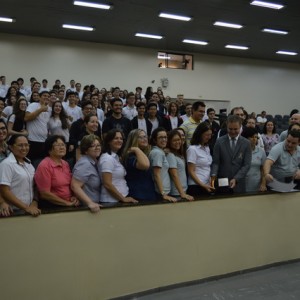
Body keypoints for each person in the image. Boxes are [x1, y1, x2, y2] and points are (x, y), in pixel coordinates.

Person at [0, 134, 40, 217]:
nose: (24, 148)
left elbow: (35, 186)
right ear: (11, 147)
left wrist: (34, 203)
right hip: (13, 212)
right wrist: (26, 207)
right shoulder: (6, 164)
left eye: (26, 145)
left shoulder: (29, 164)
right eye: (20, 145)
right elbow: (4, 190)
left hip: (30, 210)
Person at [35, 135, 80, 207]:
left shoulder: (65, 163)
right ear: (49, 149)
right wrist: (65, 203)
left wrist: (73, 197)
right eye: (58, 145)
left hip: (69, 203)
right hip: (53, 206)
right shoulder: (44, 165)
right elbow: (44, 194)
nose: (62, 147)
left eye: (63, 145)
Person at [211, 115, 252, 193]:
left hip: (239, 183)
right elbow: (216, 162)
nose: (233, 131)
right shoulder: (219, 142)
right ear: (226, 127)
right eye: (230, 129)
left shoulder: (246, 143)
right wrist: (213, 175)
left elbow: (247, 165)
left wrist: (236, 178)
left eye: (235, 129)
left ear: (240, 127)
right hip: (222, 183)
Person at [98, 129, 138, 204]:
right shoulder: (107, 158)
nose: (119, 140)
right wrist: (123, 199)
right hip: (111, 201)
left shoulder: (116, 157)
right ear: (109, 141)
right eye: (116, 138)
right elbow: (107, 183)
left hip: (118, 199)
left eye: (121, 138)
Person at [123, 129, 156, 201]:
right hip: (138, 196)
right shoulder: (130, 156)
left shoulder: (143, 153)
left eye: (145, 136)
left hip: (148, 194)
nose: (144, 139)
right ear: (134, 139)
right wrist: (136, 149)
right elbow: (145, 165)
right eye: (140, 137)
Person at [71, 135, 102, 212]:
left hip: (96, 205)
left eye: (98, 145)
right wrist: (90, 203)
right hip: (87, 209)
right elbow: (75, 186)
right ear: (86, 150)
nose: (97, 148)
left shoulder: (94, 162)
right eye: (93, 146)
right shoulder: (84, 163)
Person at [149, 127, 177, 202]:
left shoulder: (159, 151)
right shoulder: (157, 153)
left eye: (165, 137)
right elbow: (156, 174)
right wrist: (163, 194)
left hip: (164, 192)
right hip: (161, 194)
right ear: (155, 140)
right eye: (160, 137)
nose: (164, 139)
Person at [187, 122, 215, 195]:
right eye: (207, 135)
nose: (209, 137)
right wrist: (202, 185)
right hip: (196, 186)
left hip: (206, 184)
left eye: (210, 135)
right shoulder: (192, 149)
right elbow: (191, 171)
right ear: (200, 134)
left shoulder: (207, 148)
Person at [166, 130, 194, 200]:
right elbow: (174, 175)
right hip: (177, 193)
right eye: (174, 140)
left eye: (178, 140)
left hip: (183, 190)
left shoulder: (179, 154)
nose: (177, 142)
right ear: (169, 142)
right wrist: (182, 194)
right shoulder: (170, 155)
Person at [24, 90, 52, 161]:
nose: (47, 97)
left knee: (41, 163)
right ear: (39, 97)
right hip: (32, 140)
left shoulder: (49, 109)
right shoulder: (33, 105)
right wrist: (40, 110)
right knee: (31, 162)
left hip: (44, 141)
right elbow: (26, 118)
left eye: (48, 96)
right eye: (44, 96)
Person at [241, 127, 267, 193]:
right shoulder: (239, 151)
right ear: (245, 138)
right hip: (241, 185)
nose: (254, 139)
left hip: (256, 186)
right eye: (252, 137)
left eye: (256, 137)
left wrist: (263, 184)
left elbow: (263, 170)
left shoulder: (261, 151)